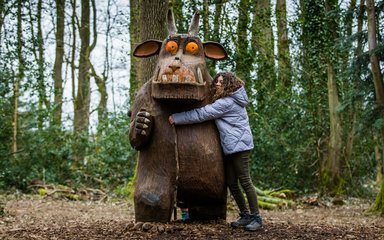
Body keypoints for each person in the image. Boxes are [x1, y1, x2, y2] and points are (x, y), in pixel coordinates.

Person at [168, 72, 262, 231]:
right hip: (232, 146)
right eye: (217, 81)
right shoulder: (229, 100)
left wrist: (177, 118)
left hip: (240, 147)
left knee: (245, 181)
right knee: (232, 183)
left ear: (229, 85)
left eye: (220, 82)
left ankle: (256, 217)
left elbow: (202, 114)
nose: (217, 84)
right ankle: (245, 215)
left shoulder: (227, 102)